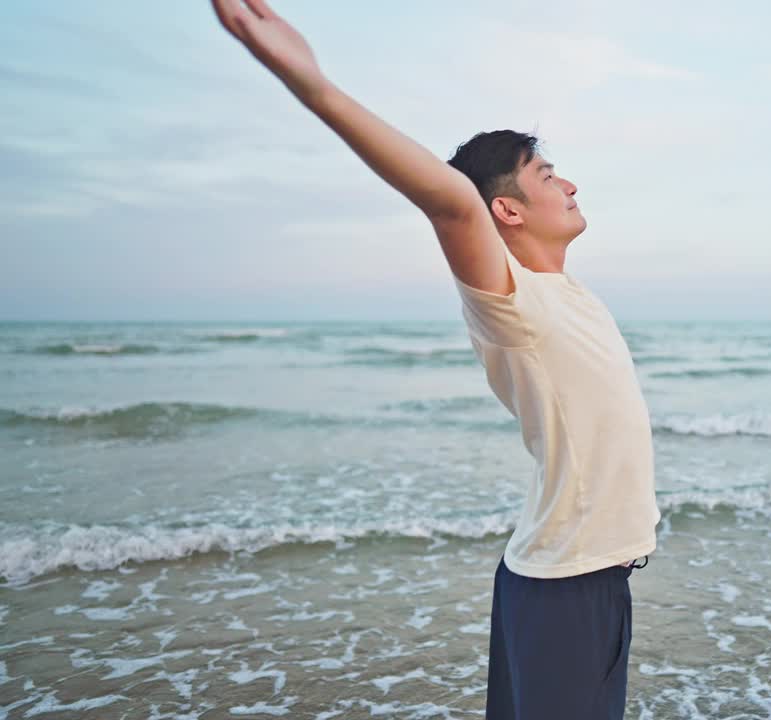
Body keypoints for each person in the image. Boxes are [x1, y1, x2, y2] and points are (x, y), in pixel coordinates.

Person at [210, 1, 662, 717]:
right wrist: (313, 84)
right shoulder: (509, 302)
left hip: (592, 578)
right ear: (507, 211)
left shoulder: (568, 294)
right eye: (548, 174)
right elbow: (453, 204)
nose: (570, 183)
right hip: (561, 589)